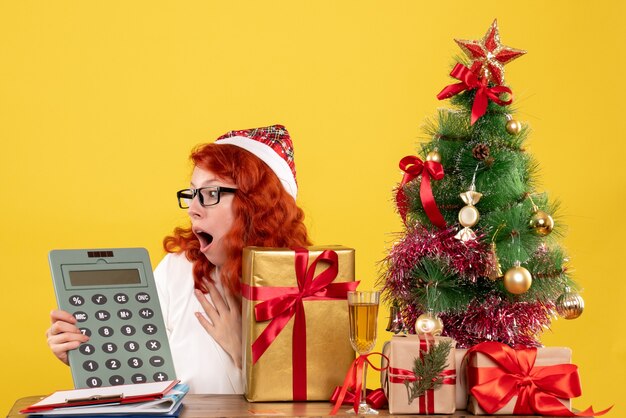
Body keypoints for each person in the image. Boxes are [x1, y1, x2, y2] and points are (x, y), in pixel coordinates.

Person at [46, 125, 311, 394]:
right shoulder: (177, 271)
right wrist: (89, 357)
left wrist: (245, 353)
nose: (193, 210)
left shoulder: (309, 284)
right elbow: (141, 383)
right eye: (192, 194)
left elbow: (314, 401)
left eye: (210, 194)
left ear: (256, 205)